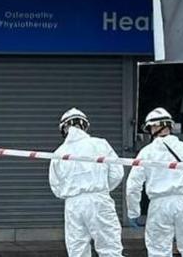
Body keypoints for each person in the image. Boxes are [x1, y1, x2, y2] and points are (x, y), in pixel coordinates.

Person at [126, 107, 183, 257]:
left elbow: (133, 186)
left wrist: (133, 212)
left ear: (153, 128)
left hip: (159, 205)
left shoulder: (146, 152)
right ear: (169, 126)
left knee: (158, 251)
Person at [48, 107, 124, 257]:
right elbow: (117, 173)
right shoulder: (100, 144)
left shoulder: (59, 153)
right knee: (109, 247)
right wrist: (102, 188)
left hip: (73, 204)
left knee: (77, 250)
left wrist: (71, 193)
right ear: (84, 125)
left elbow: (56, 186)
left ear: (64, 128)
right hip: (99, 199)